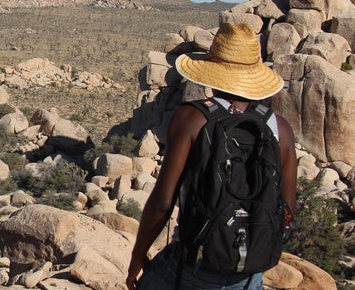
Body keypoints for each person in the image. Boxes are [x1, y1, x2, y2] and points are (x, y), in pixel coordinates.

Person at [126, 22, 297, 290]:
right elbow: (286, 208)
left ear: (213, 72)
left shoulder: (191, 118)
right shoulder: (280, 129)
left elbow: (163, 201)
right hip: (251, 274)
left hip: (195, 267)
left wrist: (138, 256)